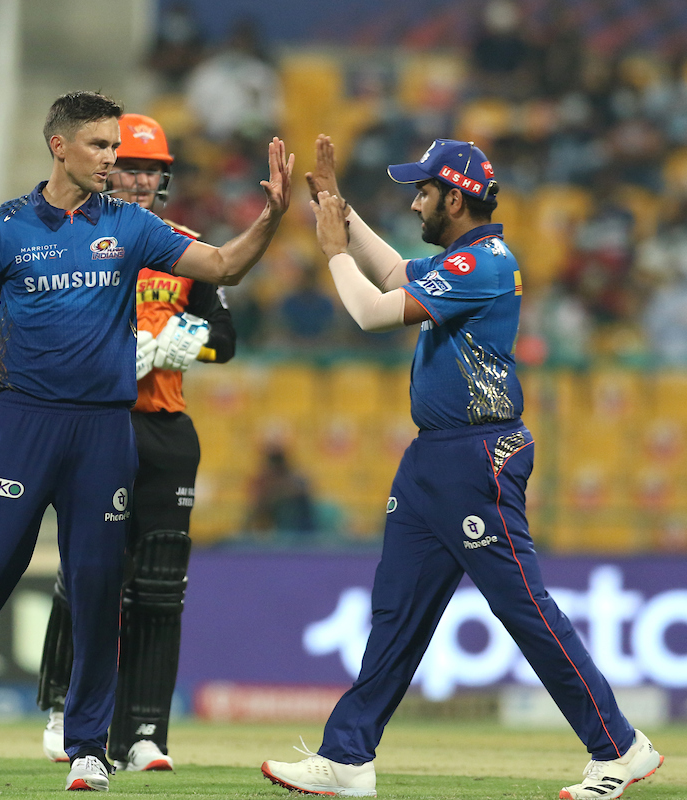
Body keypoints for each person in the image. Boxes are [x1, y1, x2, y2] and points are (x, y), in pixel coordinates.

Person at [0, 91, 291, 792]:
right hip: (19, 426)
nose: (113, 159)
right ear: (60, 146)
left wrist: (273, 218)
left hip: (104, 430)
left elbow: (222, 269)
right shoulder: (2, 227)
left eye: (116, 147)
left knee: (98, 589)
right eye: (101, 146)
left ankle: (86, 748)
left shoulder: (133, 227)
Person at [259, 136, 663, 800]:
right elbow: (394, 276)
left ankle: (621, 747)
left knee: (523, 607)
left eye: (422, 191)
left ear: (455, 197)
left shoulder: (485, 263)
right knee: (395, 611)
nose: (414, 201)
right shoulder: (462, 260)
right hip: (433, 459)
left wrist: (333, 247)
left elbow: (371, 312)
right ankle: (348, 758)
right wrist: (337, 205)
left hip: (479, 457)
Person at [33, 113, 236, 773]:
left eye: (153, 170)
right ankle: (66, 709)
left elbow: (225, 340)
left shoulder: (183, 248)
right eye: (131, 167)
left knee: (159, 587)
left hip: (164, 430)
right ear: (104, 167)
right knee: (91, 574)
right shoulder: (62, 241)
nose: (143, 180)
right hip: (95, 420)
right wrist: (121, 352)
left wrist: (188, 341)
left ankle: (144, 731)